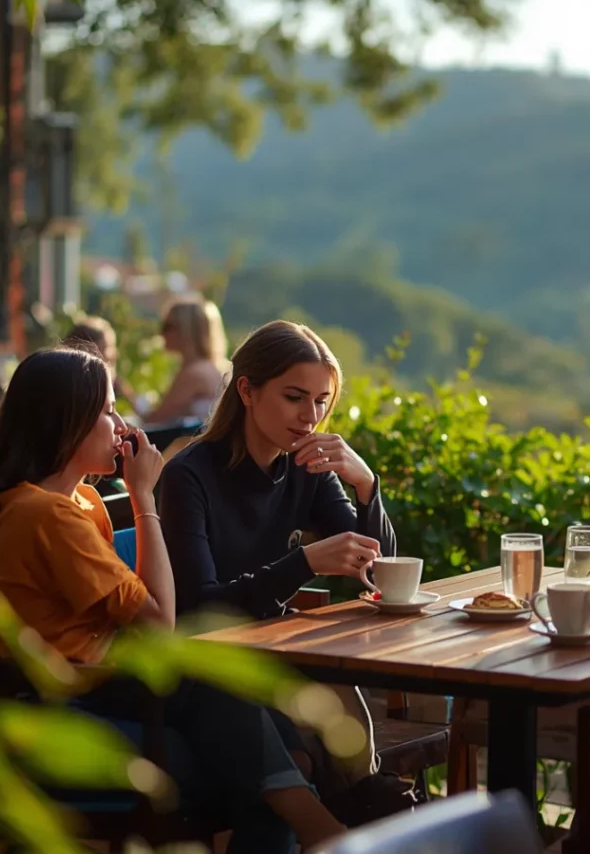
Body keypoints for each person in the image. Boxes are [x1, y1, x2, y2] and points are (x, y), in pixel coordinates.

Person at [0, 346, 345, 853]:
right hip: (68, 694)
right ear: (67, 423)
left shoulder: (78, 502)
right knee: (223, 695)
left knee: (258, 743)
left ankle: (307, 810)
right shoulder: (43, 515)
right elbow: (159, 621)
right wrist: (143, 498)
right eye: (107, 411)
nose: (121, 423)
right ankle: (319, 825)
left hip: (114, 681)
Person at [159, 320, 398, 817]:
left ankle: (362, 807)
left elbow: (383, 569)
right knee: (303, 767)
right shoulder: (189, 476)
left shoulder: (306, 469)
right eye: (294, 397)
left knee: (329, 753)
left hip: (274, 662)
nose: (309, 416)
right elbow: (200, 608)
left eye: (320, 401)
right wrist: (304, 563)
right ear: (246, 389)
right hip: (203, 675)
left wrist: (366, 484)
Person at [138, 296, 229, 425]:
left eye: (167, 326)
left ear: (186, 330)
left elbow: (154, 421)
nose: (161, 333)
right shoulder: (212, 367)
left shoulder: (194, 373)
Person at [63, 315, 139, 410]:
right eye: (109, 347)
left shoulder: (118, 389)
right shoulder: (83, 402)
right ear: (88, 351)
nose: (115, 354)